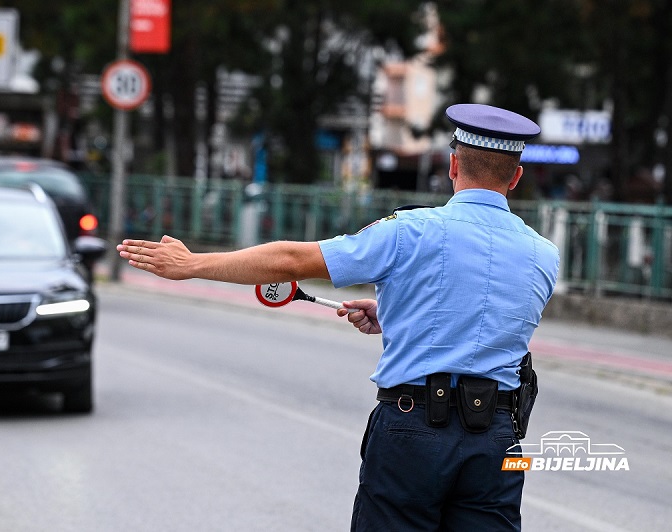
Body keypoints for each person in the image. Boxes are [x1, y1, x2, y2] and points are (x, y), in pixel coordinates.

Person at [116, 103, 560, 531]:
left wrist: (192, 265)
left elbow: (291, 260)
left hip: (415, 425)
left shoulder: (409, 231)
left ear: (452, 166)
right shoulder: (544, 255)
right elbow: (487, 322)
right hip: (500, 439)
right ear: (516, 177)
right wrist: (398, 316)